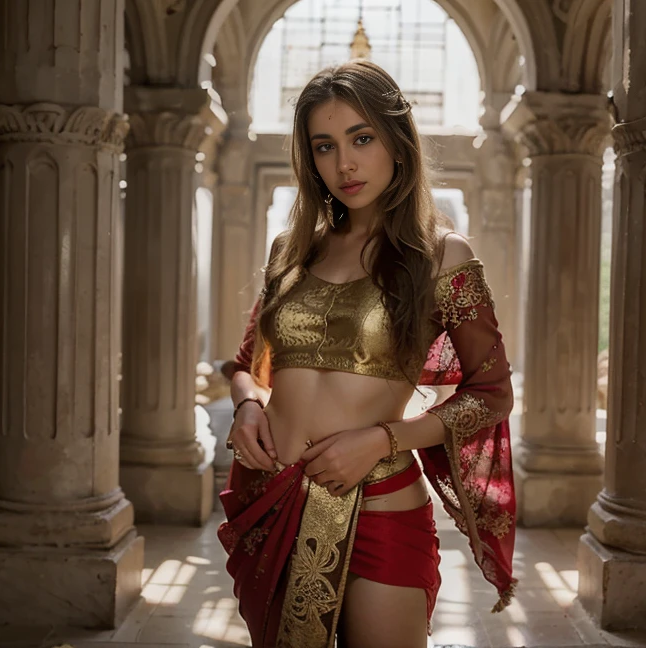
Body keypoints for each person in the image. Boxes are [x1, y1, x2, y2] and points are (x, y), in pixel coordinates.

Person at [217, 60, 516, 648]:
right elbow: (246, 366)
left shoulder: (440, 256)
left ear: (397, 141)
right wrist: (248, 407)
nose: (344, 164)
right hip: (275, 496)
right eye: (324, 146)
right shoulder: (292, 250)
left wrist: (384, 439)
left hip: (378, 502)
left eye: (362, 138)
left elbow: (493, 392)